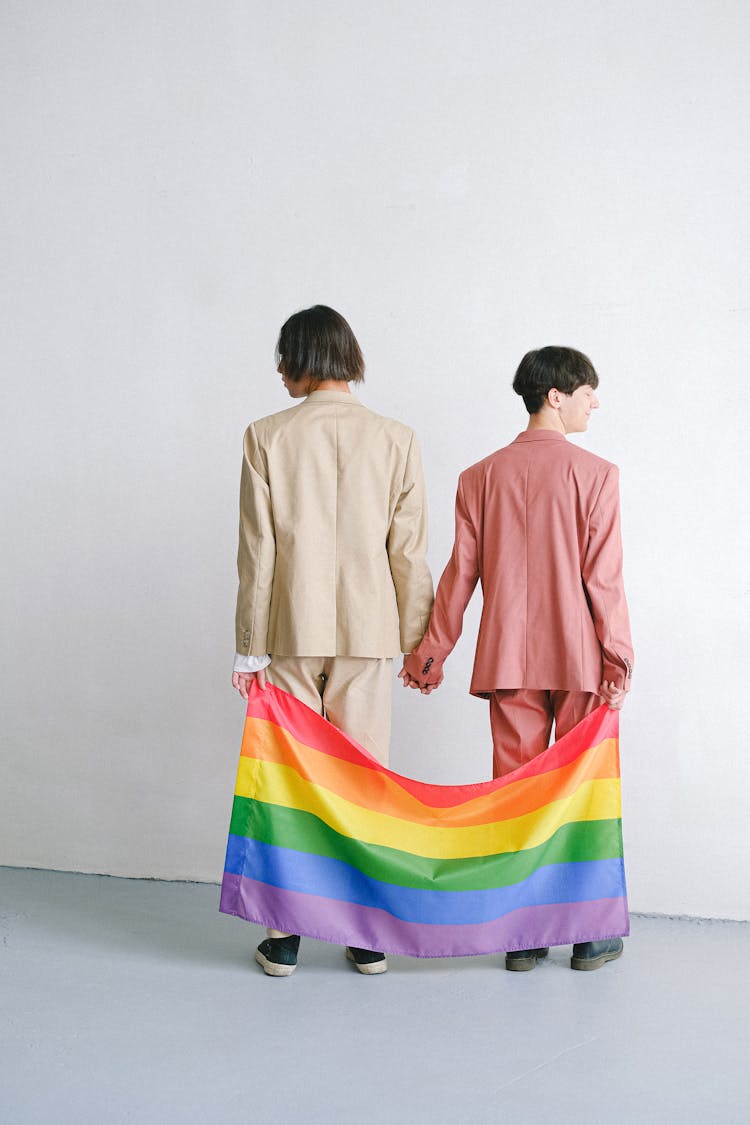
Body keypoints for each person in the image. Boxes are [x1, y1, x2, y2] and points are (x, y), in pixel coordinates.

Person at [400, 345, 633, 972]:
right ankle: (588, 936)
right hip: (581, 657)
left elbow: (460, 574)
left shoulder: (479, 476)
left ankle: (523, 938)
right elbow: (602, 579)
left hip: (507, 660)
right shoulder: (597, 474)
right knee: (583, 793)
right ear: (555, 396)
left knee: (517, 794)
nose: (595, 403)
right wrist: (619, 659)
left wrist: (431, 656)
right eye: (588, 392)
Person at [232, 305, 434, 977]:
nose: (278, 371)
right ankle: (365, 935)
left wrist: (249, 647)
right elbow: (408, 552)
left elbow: (258, 556)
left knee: (292, 781)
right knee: (364, 778)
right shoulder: (396, 438)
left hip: (290, 627)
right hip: (370, 631)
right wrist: (417, 642)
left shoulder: (266, 436)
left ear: (299, 360)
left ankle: (285, 936)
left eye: (282, 357)